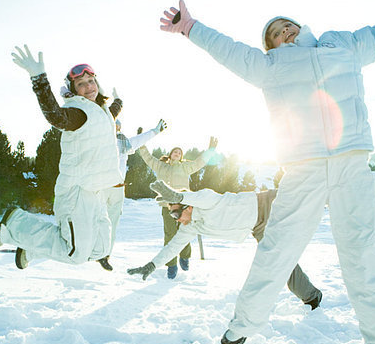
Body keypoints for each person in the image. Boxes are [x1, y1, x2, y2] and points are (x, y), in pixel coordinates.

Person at [159, 0, 375, 344]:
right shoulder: (271, 67)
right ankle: (243, 324)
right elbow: (230, 51)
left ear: (299, 26)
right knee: (277, 248)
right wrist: (191, 28)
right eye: (273, 33)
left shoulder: (344, 45)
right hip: (303, 171)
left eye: (286, 25)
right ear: (271, 46)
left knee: (367, 255)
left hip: (352, 165)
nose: (283, 31)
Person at [0, 45, 123, 269]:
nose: (88, 87)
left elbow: (112, 113)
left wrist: (119, 103)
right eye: (81, 84)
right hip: (76, 191)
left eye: (91, 81)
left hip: (96, 191)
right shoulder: (77, 112)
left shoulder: (102, 110)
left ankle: (31, 247)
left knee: (101, 248)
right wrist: (39, 79)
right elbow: (55, 115)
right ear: (73, 90)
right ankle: (15, 223)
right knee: (74, 253)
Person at [128, 180, 323, 311]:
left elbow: (197, 197)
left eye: (176, 214)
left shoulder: (205, 200)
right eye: (172, 216)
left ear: (187, 206)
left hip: (268, 203)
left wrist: (177, 196)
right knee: (277, 261)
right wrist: (151, 265)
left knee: (317, 196)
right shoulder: (192, 226)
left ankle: (339, 190)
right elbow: (172, 247)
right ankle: (312, 297)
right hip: (258, 227)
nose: (176, 220)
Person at [138, 137, 218, 279]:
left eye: (179, 152)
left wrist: (210, 150)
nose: (177, 153)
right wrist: (141, 143)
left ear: (181, 157)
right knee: (170, 234)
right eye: (175, 151)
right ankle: (171, 265)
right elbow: (148, 158)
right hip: (167, 205)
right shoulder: (161, 166)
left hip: (183, 205)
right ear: (170, 155)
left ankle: (185, 256)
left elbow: (200, 162)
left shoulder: (185, 167)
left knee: (185, 231)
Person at [97, 118, 168, 271]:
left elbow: (139, 140)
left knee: (112, 223)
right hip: (101, 187)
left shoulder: (124, 143)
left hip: (117, 188)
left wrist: (155, 131)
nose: (116, 127)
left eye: (118, 126)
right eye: (113, 124)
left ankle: (105, 256)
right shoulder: (100, 140)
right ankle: (91, 249)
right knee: (96, 219)